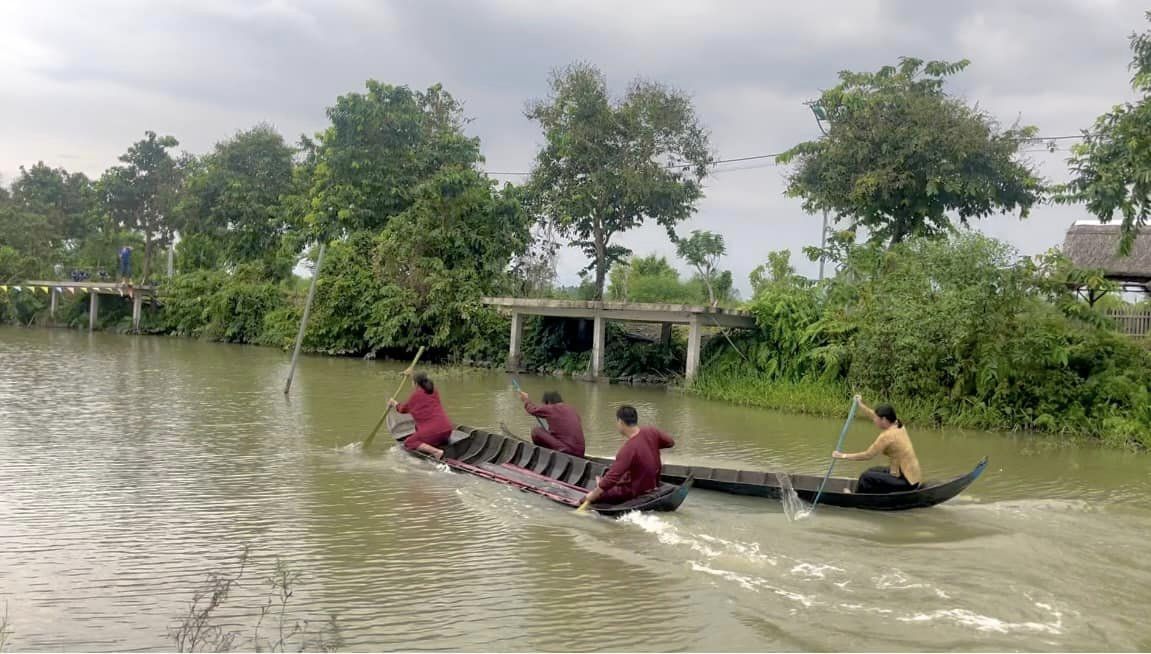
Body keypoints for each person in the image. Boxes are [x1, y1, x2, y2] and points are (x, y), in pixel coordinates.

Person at [580, 405, 674, 507]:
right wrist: (651, 447)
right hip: (653, 484)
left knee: (596, 494)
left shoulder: (628, 449)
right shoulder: (652, 431)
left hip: (634, 492)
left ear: (620, 422)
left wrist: (591, 496)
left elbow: (611, 479)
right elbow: (670, 442)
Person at [833, 396, 922, 493]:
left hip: (907, 482)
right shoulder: (898, 424)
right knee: (871, 471)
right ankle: (872, 493)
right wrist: (860, 404)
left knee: (865, 477)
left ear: (884, 420)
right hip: (909, 475)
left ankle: (855, 497)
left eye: (876, 419)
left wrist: (842, 455)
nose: (874, 420)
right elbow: (873, 414)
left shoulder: (887, 436)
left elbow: (867, 455)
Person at [389, 371, 453, 460]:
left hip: (435, 431)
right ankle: (435, 442)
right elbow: (420, 378)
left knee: (409, 442)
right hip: (447, 429)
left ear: (415, 383)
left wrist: (394, 403)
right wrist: (411, 374)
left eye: (412, 381)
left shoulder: (416, 396)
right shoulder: (433, 391)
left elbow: (403, 409)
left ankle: (436, 452)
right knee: (418, 426)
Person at [518, 390, 586, 456]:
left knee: (536, 431)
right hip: (580, 452)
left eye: (545, 404)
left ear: (549, 402)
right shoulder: (572, 409)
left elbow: (532, 409)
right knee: (548, 432)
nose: (545, 407)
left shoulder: (552, 408)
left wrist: (526, 400)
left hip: (566, 450)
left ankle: (543, 454)